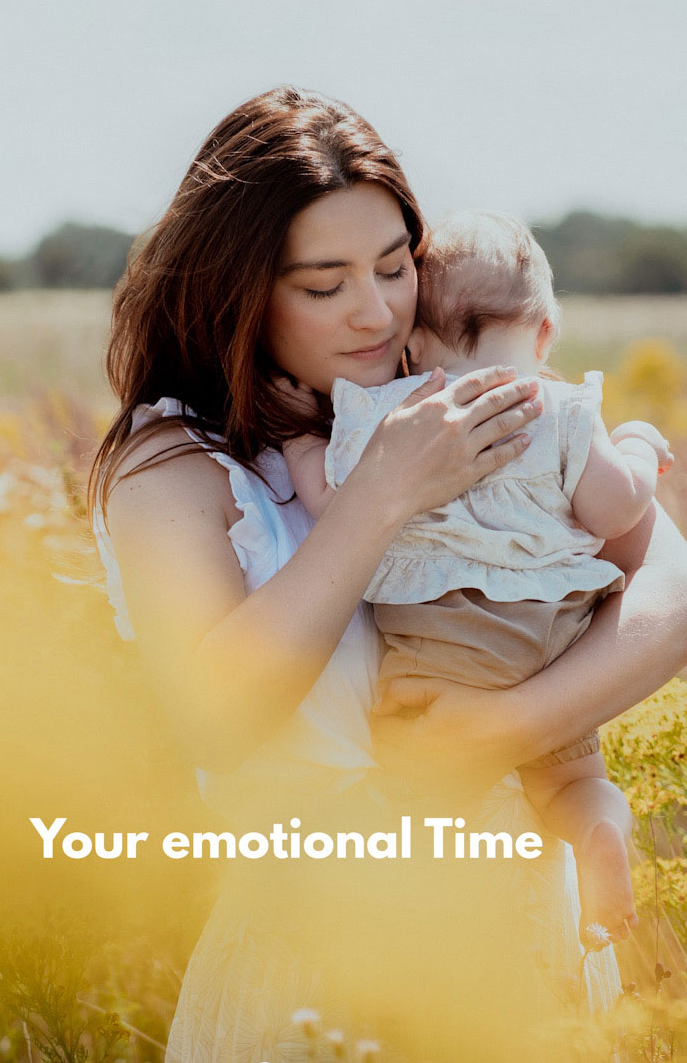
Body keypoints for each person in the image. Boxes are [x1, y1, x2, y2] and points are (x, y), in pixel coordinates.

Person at [89, 87, 687, 1062]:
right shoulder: (170, 467)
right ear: (232, 292)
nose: (374, 312)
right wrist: (379, 494)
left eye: (392, 265)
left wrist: (499, 732)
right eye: (322, 286)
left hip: (522, 925)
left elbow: (668, 589)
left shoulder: (447, 394)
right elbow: (216, 715)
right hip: (316, 961)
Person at [281, 208, 674, 953]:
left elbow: (333, 502)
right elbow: (617, 505)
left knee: (422, 786)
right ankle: (596, 830)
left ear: (416, 342)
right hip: (550, 640)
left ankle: (431, 939)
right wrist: (636, 442)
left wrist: (303, 447)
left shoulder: (395, 415)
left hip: (443, 639)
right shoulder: (562, 409)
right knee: (572, 783)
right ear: (546, 334)